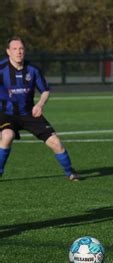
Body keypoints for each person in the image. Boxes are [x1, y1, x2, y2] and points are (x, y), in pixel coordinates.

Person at [0, 37, 80, 180]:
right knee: (7, 136)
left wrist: (40, 104)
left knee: (56, 142)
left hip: (29, 113)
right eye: (15, 49)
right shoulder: (1, 69)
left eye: (21, 49)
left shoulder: (33, 70)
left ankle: (71, 173)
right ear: (8, 52)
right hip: (7, 114)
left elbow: (45, 91)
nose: (18, 52)